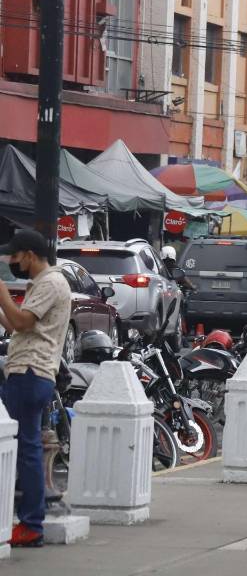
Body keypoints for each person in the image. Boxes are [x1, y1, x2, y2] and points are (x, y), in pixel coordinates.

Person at [0, 230, 71, 547]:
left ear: (29, 254)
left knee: (26, 449)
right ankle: (29, 520)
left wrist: (1, 292)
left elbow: (24, 323)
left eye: (15, 256)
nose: (12, 262)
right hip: (30, 372)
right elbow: (16, 325)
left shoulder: (51, 283)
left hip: (30, 372)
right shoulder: (43, 284)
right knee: (23, 447)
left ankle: (31, 524)